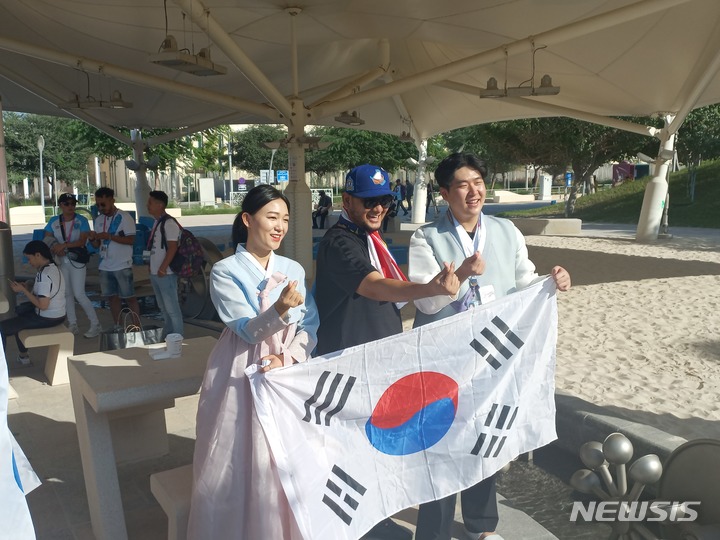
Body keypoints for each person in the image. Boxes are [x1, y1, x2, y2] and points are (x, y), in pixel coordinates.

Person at [408, 152, 571, 540]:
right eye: (462, 184)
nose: (473, 191)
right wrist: (461, 273)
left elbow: (522, 283)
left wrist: (552, 281)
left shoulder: (505, 230)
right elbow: (425, 301)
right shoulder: (425, 237)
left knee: (486, 436)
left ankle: (483, 526)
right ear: (445, 192)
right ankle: (434, 531)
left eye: (478, 181)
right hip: (445, 357)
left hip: (493, 355)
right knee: (442, 443)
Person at [314, 164, 460, 539]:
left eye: (384, 201)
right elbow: (376, 287)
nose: (378, 208)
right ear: (347, 200)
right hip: (348, 366)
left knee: (376, 449)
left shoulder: (368, 238)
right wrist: (428, 289)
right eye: (368, 201)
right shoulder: (340, 242)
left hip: (377, 362)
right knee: (351, 453)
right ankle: (358, 526)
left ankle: (372, 520)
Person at [187, 185, 319, 540]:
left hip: (285, 371)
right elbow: (246, 331)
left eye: (285, 219)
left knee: (281, 460)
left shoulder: (292, 267)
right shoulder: (225, 271)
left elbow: (310, 324)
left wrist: (289, 356)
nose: (280, 227)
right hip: (240, 370)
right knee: (236, 456)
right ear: (248, 219)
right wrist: (280, 310)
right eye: (271, 217)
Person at [44, 193, 102, 338]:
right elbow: (47, 238)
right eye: (67, 204)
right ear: (61, 205)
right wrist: (56, 247)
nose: (71, 207)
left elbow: (82, 241)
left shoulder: (81, 220)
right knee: (67, 293)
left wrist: (63, 246)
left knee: (79, 294)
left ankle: (95, 324)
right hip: (61, 260)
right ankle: (73, 324)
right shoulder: (54, 221)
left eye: (73, 204)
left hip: (77, 260)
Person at [1, 241, 66, 366]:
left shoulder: (44, 275)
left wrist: (23, 290)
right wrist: (29, 285)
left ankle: (1, 366)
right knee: (19, 312)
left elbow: (43, 305)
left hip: (47, 318)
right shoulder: (53, 267)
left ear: (38, 255)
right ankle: (23, 356)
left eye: (29, 258)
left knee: (2, 329)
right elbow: (47, 289)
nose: (28, 262)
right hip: (59, 314)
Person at [88, 187, 141, 328]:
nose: (100, 208)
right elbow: (96, 245)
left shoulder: (124, 217)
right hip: (105, 265)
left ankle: (137, 326)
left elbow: (131, 240)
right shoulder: (99, 220)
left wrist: (110, 236)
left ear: (112, 201)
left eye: (103, 204)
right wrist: (93, 238)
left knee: (129, 298)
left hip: (122, 265)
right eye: (97, 205)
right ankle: (118, 325)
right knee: (112, 297)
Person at [146, 191, 184, 338]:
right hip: (156, 272)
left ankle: (179, 338)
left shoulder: (169, 223)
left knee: (172, 308)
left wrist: (162, 267)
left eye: (150, 202)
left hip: (165, 273)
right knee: (163, 308)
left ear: (160, 205)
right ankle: (169, 335)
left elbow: (173, 247)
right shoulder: (158, 222)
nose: (147, 206)